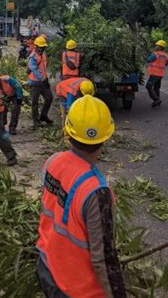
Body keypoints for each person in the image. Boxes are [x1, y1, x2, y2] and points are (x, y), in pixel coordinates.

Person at [37, 95, 127, 298]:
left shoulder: (52, 162)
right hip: (77, 289)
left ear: (68, 131)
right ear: (106, 137)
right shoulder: (97, 192)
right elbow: (103, 258)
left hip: (46, 264)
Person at [28, 36, 53, 128]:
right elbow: (34, 70)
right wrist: (43, 79)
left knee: (49, 98)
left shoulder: (43, 54)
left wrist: (45, 79)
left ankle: (43, 116)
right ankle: (36, 120)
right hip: (35, 82)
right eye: (41, 47)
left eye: (43, 47)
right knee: (35, 102)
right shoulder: (33, 57)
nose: (42, 48)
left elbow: (43, 68)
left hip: (43, 81)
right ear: (36, 46)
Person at [146, 40, 168, 107]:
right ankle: (157, 100)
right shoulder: (164, 55)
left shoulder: (156, 54)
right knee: (156, 87)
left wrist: (148, 55)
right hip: (160, 74)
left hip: (154, 73)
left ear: (161, 47)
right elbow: (166, 63)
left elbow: (148, 59)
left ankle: (156, 99)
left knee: (148, 86)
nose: (156, 46)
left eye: (157, 45)